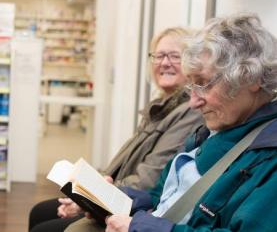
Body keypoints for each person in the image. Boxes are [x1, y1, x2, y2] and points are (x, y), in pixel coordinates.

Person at [65, 13, 277, 232]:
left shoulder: (268, 155)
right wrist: (115, 199)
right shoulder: (213, 131)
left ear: (252, 79)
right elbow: (164, 197)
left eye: (204, 83)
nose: (193, 102)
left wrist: (141, 227)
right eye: (191, 86)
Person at [28, 27, 205, 231]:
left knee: (43, 225)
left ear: (190, 63)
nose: (165, 62)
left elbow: (148, 181)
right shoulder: (159, 106)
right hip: (116, 197)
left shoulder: (188, 112)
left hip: (131, 209)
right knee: (40, 212)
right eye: (159, 56)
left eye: (175, 56)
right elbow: (122, 165)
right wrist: (86, 194)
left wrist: (91, 198)